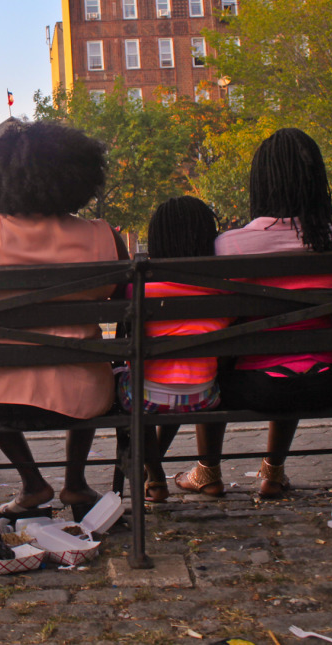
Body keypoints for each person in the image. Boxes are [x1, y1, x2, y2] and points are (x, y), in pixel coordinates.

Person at [0, 120, 128, 520]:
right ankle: (75, 482)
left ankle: (33, 484)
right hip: (86, 397)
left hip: (0, 396)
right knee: (91, 357)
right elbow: (121, 299)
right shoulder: (105, 237)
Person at [178, 128, 332, 499]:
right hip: (327, 383)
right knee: (298, 343)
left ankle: (207, 470)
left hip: (252, 386)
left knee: (214, 347)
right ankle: (273, 473)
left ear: (261, 182)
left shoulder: (231, 246)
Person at [124, 196, 230, 503]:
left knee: (143, 385)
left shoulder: (138, 287)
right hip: (203, 396)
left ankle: (155, 478)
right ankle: (209, 473)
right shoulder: (222, 287)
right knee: (189, 379)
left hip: (146, 398)